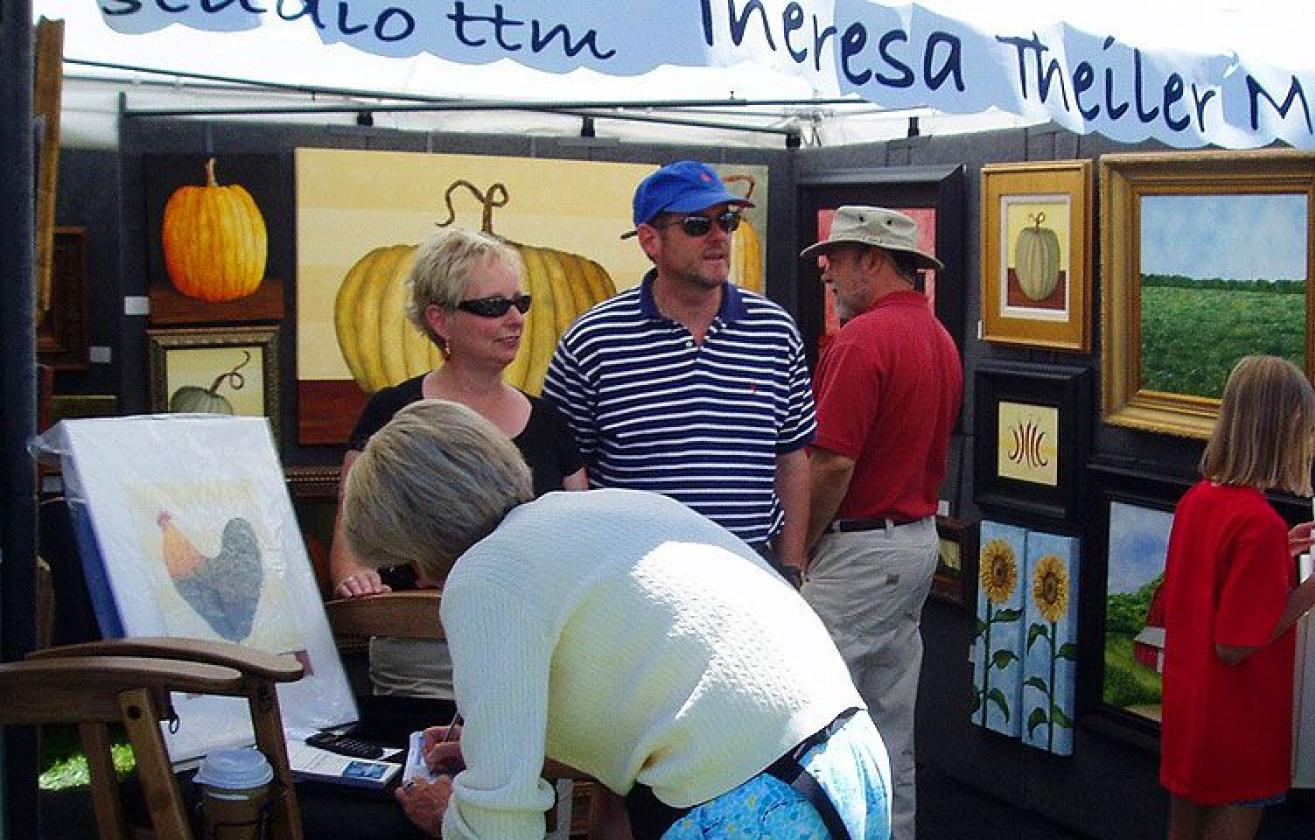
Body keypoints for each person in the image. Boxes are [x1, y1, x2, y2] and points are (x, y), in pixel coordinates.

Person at [340, 399, 893, 840]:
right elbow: (649, 696)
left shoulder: (486, 572)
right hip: (845, 760)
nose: (420, 572)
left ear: (421, 535)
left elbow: (500, 827)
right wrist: (493, 749)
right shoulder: (594, 512)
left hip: (753, 802)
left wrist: (452, 815)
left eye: (407, 556)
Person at [327, 227, 586, 697]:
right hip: (421, 651)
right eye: (493, 306)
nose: (514, 319)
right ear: (440, 320)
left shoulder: (550, 422)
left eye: (520, 303)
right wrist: (357, 584)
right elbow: (349, 539)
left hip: (527, 652)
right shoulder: (390, 410)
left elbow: (578, 546)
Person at [542, 160, 815, 579]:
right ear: (650, 240)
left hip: (749, 578)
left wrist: (792, 567)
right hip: (634, 584)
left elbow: (792, 458)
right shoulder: (593, 340)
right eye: (696, 225)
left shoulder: (774, 331)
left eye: (726, 221)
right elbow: (563, 471)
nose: (718, 237)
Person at [797, 205, 962, 840]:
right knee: (888, 724)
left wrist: (798, 550)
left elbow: (833, 462)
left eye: (835, 261)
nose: (827, 276)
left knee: (812, 718)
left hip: (860, 549)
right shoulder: (937, 336)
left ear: (872, 260)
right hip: (913, 543)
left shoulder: (864, 339)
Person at [1160, 355, 1315, 840]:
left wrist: (1278, 553)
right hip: (1239, 726)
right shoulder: (1257, 523)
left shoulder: (1200, 500)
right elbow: (1235, 644)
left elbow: (1212, 587)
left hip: (1192, 718)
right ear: (1288, 425)